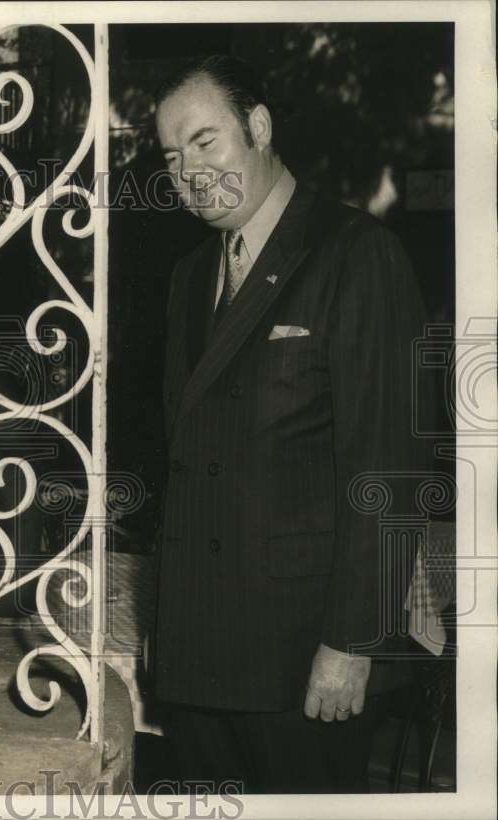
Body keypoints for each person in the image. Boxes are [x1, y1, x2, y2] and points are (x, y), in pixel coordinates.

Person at [152, 55, 429, 793]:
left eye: (205, 142)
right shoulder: (186, 280)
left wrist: (353, 640)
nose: (189, 171)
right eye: (172, 157)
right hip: (197, 655)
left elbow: (387, 469)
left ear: (260, 127)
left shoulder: (354, 253)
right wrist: (166, 634)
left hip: (302, 657)